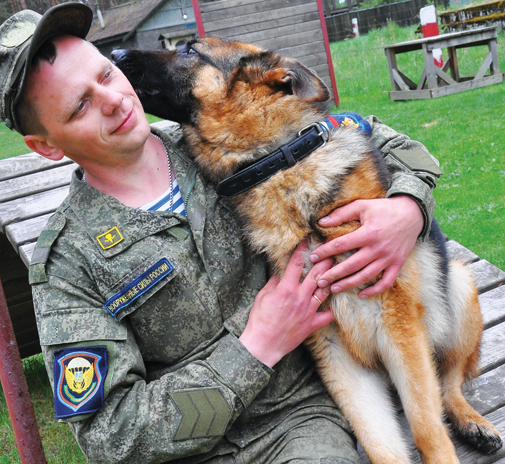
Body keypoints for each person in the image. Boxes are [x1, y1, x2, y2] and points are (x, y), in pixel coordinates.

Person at [0, 4, 442, 463]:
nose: (113, 100)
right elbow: (110, 434)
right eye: (80, 106)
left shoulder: (224, 138)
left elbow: (373, 137)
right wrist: (254, 349)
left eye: (107, 75)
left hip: (297, 423)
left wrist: (407, 208)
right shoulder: (68, 261)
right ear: (46, 146)